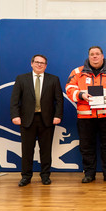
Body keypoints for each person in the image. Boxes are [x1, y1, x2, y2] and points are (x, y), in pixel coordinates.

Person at [65, 46, 106, 184]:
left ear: (102, 56)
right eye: (92, 54)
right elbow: (69, 89)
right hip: (86, 117)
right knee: (86, 146)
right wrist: (81, 95)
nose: (94, 56)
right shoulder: (77, 72)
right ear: (88, 56)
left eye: (97, 54)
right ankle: (89, 174)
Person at [10, 54, 63, 187]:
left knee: (46, 150)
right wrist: (15, 116)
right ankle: (26, 177)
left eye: (43, 63)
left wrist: (58, 116)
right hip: (27, 120)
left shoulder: (54, 79)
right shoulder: (21, 79)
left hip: (47, 120)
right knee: (27, 150)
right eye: (37, 62)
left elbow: (59, 100)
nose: (39, 65)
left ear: (46, 65)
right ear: (32, 63)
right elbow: (15, 100)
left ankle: (45, 176)